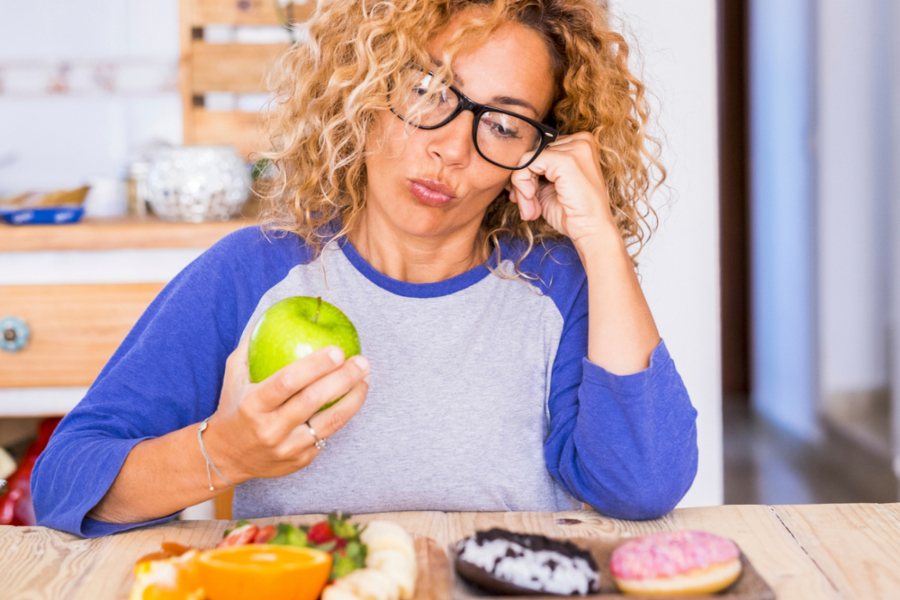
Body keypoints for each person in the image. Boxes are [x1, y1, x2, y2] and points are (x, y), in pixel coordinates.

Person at [33, 0, 698, 538]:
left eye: (503, 125)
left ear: (539, 153)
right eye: (430, 90)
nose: (449, 148)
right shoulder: (252, 271)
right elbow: (65, 484)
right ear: (367, 85)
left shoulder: (558, 284)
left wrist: (600, 239)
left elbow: (642, 487)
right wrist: (227, 453)